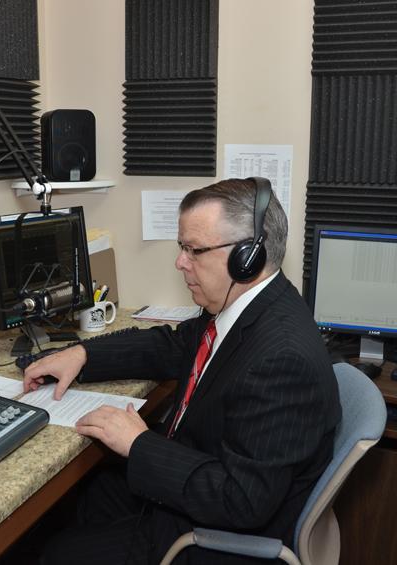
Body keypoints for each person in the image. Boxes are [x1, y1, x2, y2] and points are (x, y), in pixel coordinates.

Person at [23, 178, 341, 565]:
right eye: (181, 247)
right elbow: (173, 344)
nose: (180, 261)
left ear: (247, 257)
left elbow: (240, 501)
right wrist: (83, 354)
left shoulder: (281, 359)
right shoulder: (249, 308)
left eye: (194, 249)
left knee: (59, 554)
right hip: (201, 472)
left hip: (219, 538)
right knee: (91, 493)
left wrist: (139, 444)